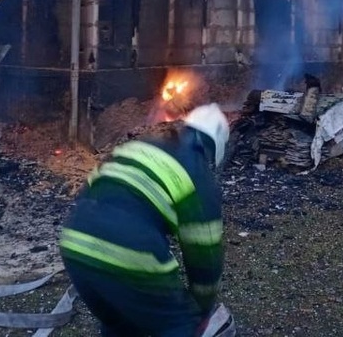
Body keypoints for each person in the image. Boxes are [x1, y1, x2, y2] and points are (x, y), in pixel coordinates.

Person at [59, 103, 229, 337]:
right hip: (131, 253)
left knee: (121, 325)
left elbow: (92, 188)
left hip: (74, 245)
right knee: (177, 326)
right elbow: (205, 256)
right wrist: (199, 309)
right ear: (216, 147)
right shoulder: (198, 176)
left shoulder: (139, 147)